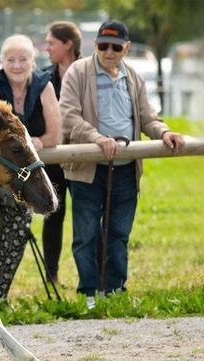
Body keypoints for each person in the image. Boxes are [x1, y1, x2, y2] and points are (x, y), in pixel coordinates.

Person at [59, 20, 184, 308]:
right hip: (88, 167)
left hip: (126, 168)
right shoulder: (78, 72)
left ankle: (114, 293)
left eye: (116, 47)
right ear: (96, 45)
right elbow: (68, 115)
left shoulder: (133, 78)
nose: (109, 52)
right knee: (86, 234)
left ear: (126, 48)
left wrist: (164, 132)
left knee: (118, 234)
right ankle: (88, 294)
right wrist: (97, 138)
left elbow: (148, 117)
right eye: (103, 45)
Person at [0, 34, 61, 300]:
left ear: (33, 61)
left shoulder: (43, 84)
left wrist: (37, 142)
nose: (17, 65)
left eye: (23, 59)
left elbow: (55, 134)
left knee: (16, 233)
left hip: (25, 175)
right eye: (11, 59)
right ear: (1, 62)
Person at [41, 21, 82, 285]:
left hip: (83, 155)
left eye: (51, 43)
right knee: (54, 215)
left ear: (67, 44)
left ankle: (87, 278)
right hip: (55, 157)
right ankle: (52, 274)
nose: (47, 48)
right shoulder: (44, 77)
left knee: (85, 217)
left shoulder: (88, 72)